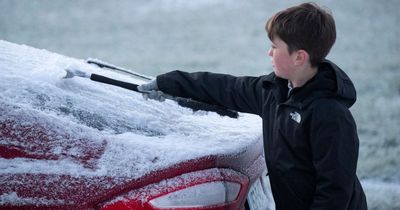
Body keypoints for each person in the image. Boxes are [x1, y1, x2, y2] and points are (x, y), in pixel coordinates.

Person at [138, 2, 367, 210]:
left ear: (299, 57)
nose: (269, 52)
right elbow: (225, 87)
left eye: (275, 47)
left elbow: (334, 191)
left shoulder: (330, 115)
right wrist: (169, 82)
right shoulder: (272, 91)